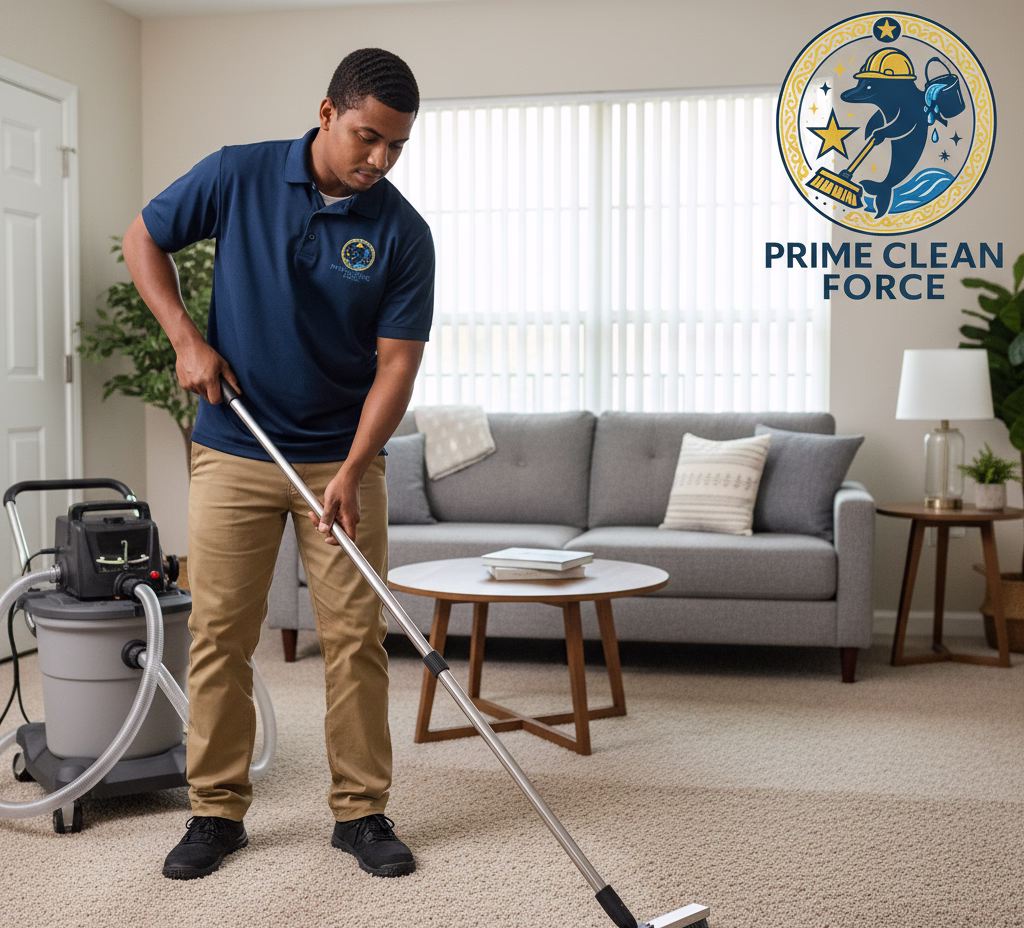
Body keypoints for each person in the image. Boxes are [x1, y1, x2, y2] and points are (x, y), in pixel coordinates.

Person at [122, 47, 433, 881]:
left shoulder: (402, 232)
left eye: (397, 147)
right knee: (221, 634)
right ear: (327, 112)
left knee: (356, 640)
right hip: (235, 449)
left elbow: (396, 364)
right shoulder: (239, 176)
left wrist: (356, 464)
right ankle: (215, 813)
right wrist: (187, 340)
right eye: (369, 137)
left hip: (344, 461)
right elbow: (144, 237)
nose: (380, 160)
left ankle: (361, 812)